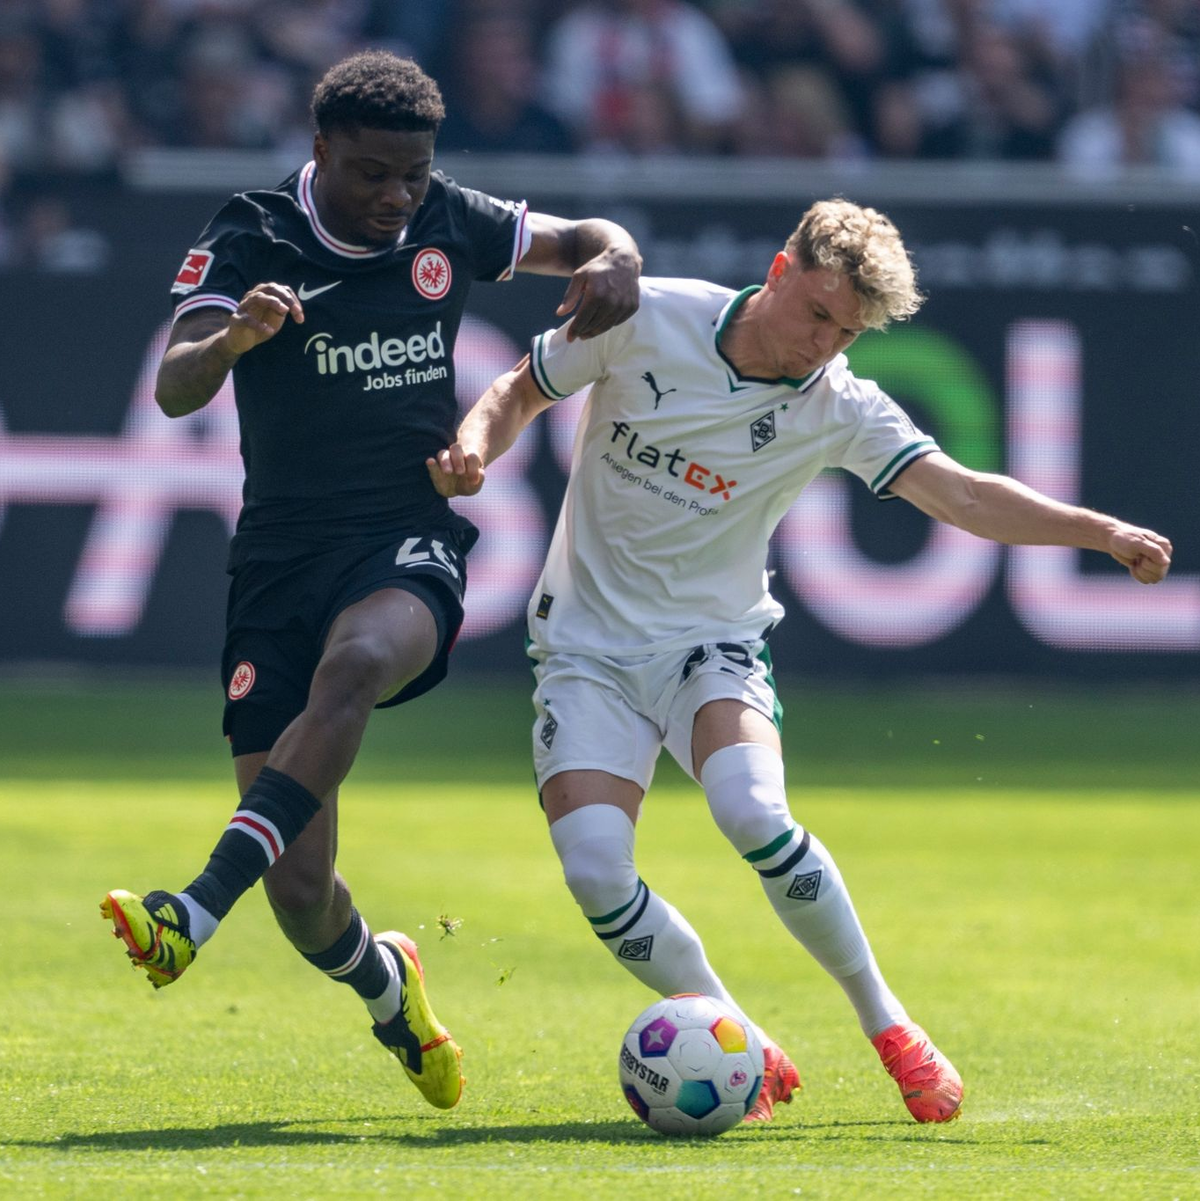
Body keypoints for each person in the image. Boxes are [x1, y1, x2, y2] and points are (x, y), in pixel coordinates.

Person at [427, 198, 1173, 1124]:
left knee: (752, 810)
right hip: (583, 649)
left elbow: (966, 497)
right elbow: (520, 389)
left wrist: (1098, 532)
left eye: (847, 330)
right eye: (818, 313)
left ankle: (889, 1023)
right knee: (593, 869)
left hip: (713, 644)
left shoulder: (838, 404)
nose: (825, 343)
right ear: (779, 271)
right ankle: (741, 1035)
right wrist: (473, 445)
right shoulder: (649, 316)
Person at [99, 49, 641, 1113]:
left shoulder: (448, 217)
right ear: (321, 152)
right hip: (278, 561)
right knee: (303, 895)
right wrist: (236, 337)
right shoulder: (252, 231)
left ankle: (194, 910)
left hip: (405, 540)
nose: (397, 198)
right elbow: (174, 384)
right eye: (372, 175)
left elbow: (581, 239)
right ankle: (391, 990)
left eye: (412, 175)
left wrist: (616, 252)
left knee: (354, 665)